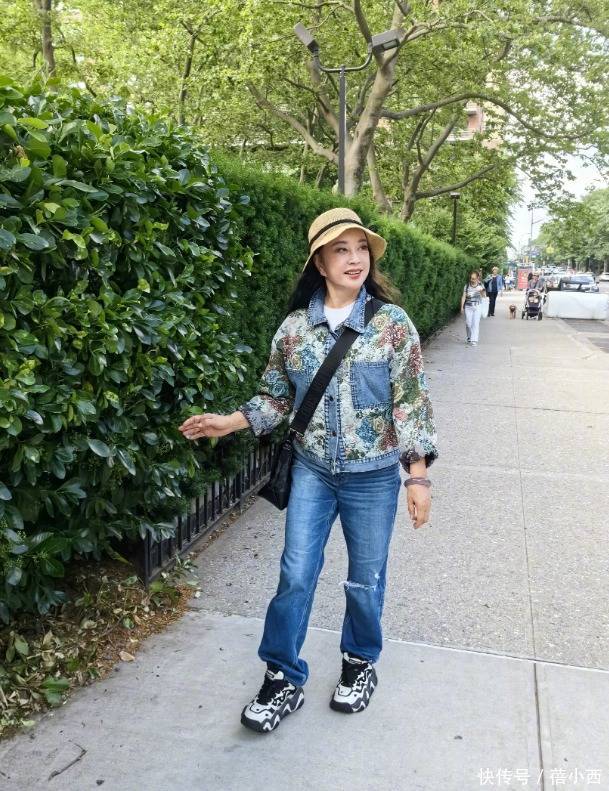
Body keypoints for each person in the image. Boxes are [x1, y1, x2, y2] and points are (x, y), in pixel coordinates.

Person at [179, 207, 438, 733]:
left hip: (372, 476)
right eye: (341, 249)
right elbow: (275, 398)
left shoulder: (391, 325)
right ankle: (282, 676)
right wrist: (229, 423)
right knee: (295, 574)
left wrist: (417, 477)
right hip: (313, 472)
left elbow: (411, 403)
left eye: (361, 248)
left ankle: (359, 662)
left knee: (365, 579)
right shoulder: (295, 330)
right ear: (319, 262)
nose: (355, 259)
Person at [461, 270, 486, 345]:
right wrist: (461, 307)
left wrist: (481, 291)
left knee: (475, 323)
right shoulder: (467, 286)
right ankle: (469, 337)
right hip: (468, 307)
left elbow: (484, 296)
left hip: (478, 306)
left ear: (478, 278)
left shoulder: (481, 285)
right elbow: (463, 296)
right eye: (471, 278)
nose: (472, 280)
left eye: (474, 278)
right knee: (468, 323)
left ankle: (474, 340)